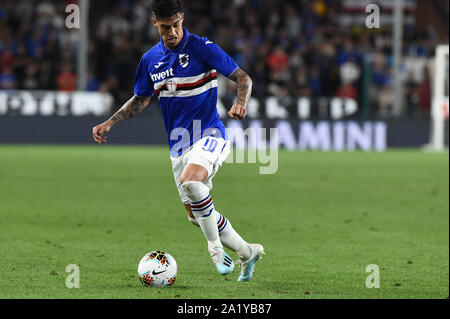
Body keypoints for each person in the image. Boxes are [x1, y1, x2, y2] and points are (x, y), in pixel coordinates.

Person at [92, 0, 264, 281]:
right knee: (196, 215)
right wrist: (110, 122)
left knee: (191, 182)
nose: (172, 31)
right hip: (178, 145)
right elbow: (141, 99)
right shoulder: (150, 60)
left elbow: (243, 78)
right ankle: (248, 252)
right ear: (154, 24)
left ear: (182, 19)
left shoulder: (202, 48)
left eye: (176, 25)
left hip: (210, 133)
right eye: (165, 27)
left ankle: (215, 248)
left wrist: (241, 102)